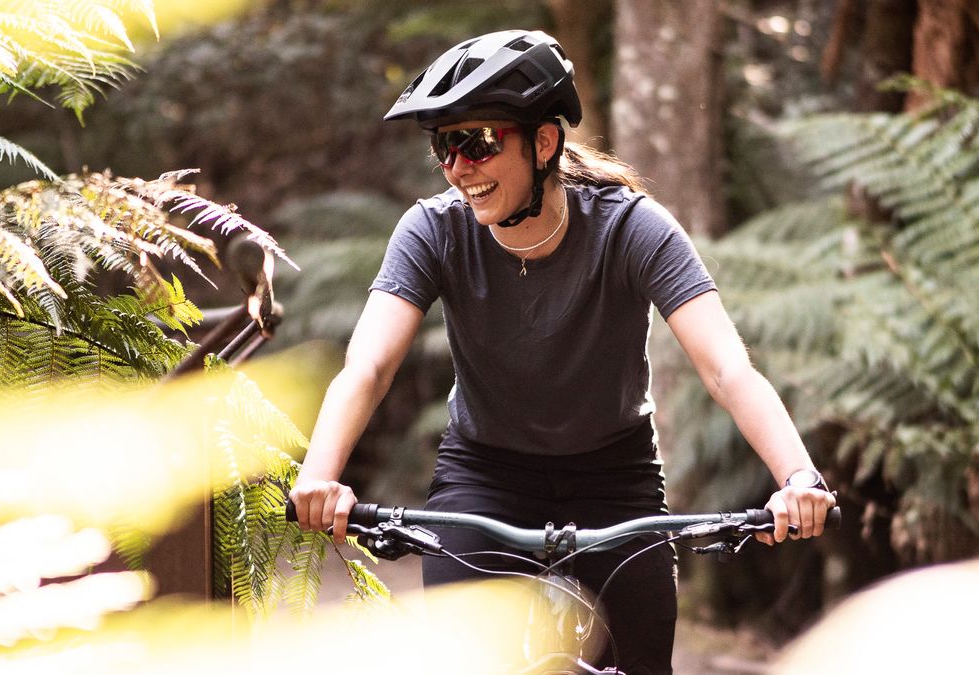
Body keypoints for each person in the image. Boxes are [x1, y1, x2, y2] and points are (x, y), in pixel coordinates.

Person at [289, 29, 836, 674]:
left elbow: (726, 368)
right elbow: (369, 367)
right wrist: (320, 475)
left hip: (613, 476)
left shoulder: (632, 228)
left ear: (543, 142)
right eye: (445, 146)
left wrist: (798, 478)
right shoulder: (433, 230)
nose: (459, 168)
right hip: (484, 474)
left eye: (478, 142)